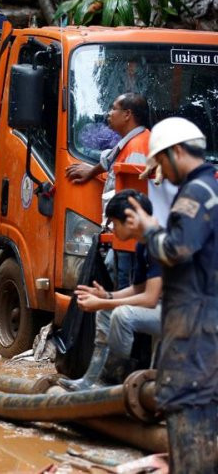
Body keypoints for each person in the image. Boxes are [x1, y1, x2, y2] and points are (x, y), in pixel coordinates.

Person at [124, 117, 217, 472]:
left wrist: (149, 231)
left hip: (196, 325)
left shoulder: (195, 193)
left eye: (161, 161)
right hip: (204, 319)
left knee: (188, 403)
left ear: (177, 152)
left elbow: (178, 250)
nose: (161, 171)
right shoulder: (211, 189)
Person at [60, 190, 162, 391]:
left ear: (130, 220)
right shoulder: (142, 245)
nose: (113, 229)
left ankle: (113, 384)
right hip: (163, 308)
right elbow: (140, 288)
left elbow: (150, 299)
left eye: (115, 223)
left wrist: (105, 302)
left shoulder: (158, 242)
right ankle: (91, 380)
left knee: (123, 315)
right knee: (106, 313)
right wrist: (107, 296)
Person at [66, 92, 151, 289]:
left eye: (114, 108)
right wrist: (91, 172)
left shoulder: (137, 147)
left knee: (123, 283)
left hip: (129, 239)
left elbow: (134, 192)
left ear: (127, 114)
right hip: (124, 235)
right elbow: (109, 160)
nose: (109, 113)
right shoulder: (131, 141)